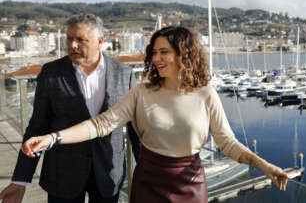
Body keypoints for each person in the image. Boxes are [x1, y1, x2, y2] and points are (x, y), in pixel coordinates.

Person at [21, 26, 288, 203]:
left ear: (184, 54)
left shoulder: (206, 93)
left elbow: (227, 143)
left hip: (191, 185)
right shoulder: (141, 93)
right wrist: (53, 138)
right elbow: (101, 124)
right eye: (154, 52)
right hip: (148, 183)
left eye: (165, 52)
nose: (157, 58)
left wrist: (265, 166)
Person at [0, 13, 140, 203]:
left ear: (100, 41)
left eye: (80, 40)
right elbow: (37, 127)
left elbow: (136, 129)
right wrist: (20, 180)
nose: (73, 45)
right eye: (69, 38)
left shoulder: (124, 73)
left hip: (109, 172)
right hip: (62, 174)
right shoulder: (51, 73)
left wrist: (149, 173)